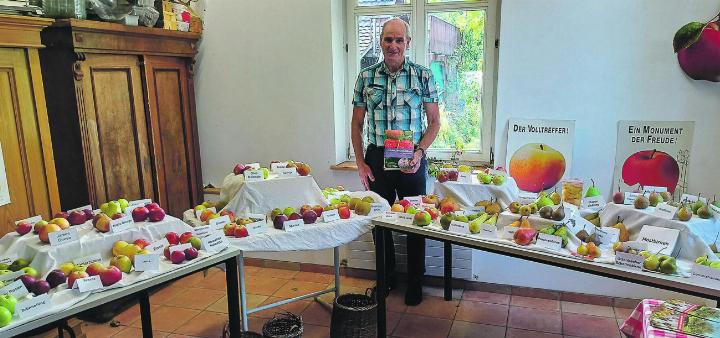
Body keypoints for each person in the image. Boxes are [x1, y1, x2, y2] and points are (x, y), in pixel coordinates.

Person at [350, 18, 441, 306]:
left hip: (411, 156)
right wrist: (361, 163)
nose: (393, 46)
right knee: (381, 219)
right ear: (380, 42)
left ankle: (416, 281)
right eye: (388, 40)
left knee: (416, 220)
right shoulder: (366, 77)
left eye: (399, 40)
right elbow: (356, 124)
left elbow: (435, 122)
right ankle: (386, 277)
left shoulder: (422, 76)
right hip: (378, 156)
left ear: (408, 43)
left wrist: (419, 152)